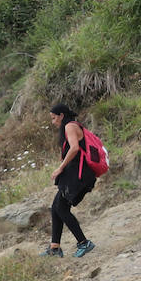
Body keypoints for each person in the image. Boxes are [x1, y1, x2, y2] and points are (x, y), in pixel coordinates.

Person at [45, 104, 97, 258]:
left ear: (61, 115)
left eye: (54, 118)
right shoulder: (70, 126)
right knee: (56, 207)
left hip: (79, 175)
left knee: (61, 208)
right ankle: (54, 248)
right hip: (75, 175)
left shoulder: (70, 126)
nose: (53, 122)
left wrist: (60, 168)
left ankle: (84, 242)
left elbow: (74, 148)